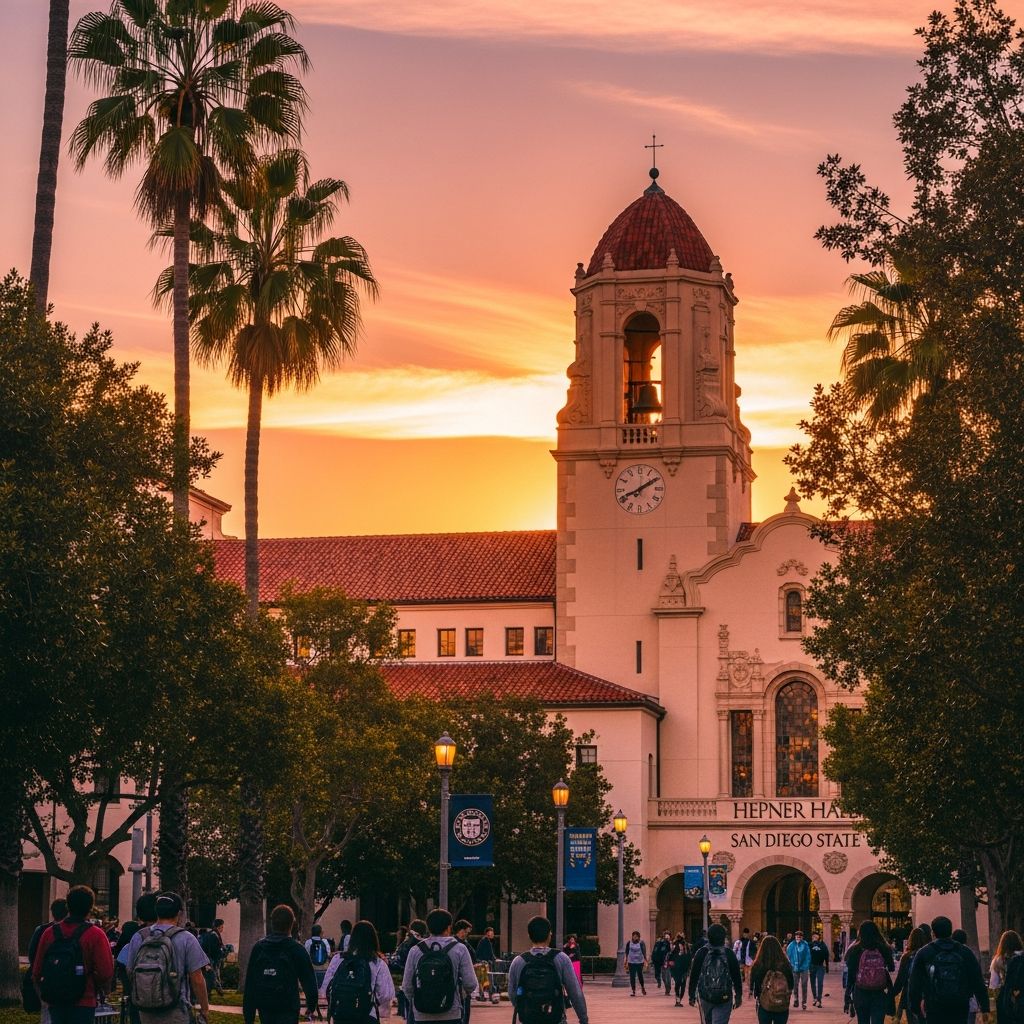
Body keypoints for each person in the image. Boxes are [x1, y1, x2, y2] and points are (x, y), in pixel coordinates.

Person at [121, 892, 209, 1024]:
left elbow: (130, 971)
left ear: (156, 911)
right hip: (176, 1010)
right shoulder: (186, 938)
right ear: (179, 913)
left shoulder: (139, 936)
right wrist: (204, 1009)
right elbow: (197, 979)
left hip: (145, 1012)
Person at [32, 886, 114, 1024]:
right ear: (90, 907)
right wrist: (100, 989)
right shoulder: (96, 934)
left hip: (55, 1001)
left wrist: (44, 998)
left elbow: (36, 972)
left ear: (68, 906)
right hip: (85, 1000)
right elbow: (106, 972)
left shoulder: (50, 933)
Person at [243, 904, 318, 1024]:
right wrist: (311, 1006)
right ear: (292, 924)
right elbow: (309, 982)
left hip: (265, 1006)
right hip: (288, 1007)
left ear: (272, 923)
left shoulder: (259, 948)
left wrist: (249, 1016)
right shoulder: (297, 949)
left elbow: (250, 985)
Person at [507, 915, 588, 1024]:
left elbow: (512, 994)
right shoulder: (561, 958)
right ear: (549, 934)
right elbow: (575, 992)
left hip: (529, 1019)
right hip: (556, 1019)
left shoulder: (518, 961)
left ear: (529, 935)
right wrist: (583, 1019)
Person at [401, 909, 477, 1024]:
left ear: (429, 928)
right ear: (448, 927)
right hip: (451, 1014)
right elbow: (470, 983)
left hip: (422, 1015)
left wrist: (419, 999)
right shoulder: (460, 949)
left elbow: (407, 986)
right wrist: (457, 994)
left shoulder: (416, 950)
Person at [908, 917, 988, 1024]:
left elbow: (914, 983)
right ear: (950, 931)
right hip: (960, 1005)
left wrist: (915, 1008)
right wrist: (984, 1006)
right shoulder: (965, 952)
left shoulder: (924, 953)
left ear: (933, 933)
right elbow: (977, 980)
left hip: (934, 1007)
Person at [321, 919, 395, 1023]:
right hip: (367, 1016)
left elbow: (326, 987)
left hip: (341, 1014)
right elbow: (386, 994)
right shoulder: (377, 963)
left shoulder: (338, 959)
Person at [688, 923, 743, 1024]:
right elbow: (736, 977)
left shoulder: (701, 952)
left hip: (705, 996)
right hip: (724, 997)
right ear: (724, 937)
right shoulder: (729, 953)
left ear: (708, 937)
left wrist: (691, 995)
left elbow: (694, 975)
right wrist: (738, 995)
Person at [845, 920, 895, 1024]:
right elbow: (891, 968)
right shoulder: (883, 948)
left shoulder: (856, 949)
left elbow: (850, 974)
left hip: (860, 991)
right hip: (879, 992)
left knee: (863, 1021)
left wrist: (847, 995)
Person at [751, 935, 795, 1024]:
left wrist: (756, 994)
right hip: (781, 1003)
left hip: (764, 1003)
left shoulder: (758, 964)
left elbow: (754, 983)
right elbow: (791, 983)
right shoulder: (785, 964)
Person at [893, 926, 928, 1024]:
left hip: (909, 995)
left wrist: (892, 993)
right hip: (925, 995)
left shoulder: (907, 957)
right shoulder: (928, 954)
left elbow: (901, 979)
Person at [393, 920, 425, 1021]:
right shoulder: (425, 944)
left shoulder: (407, 944)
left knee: (411, 1013)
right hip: (423, 983)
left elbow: (399, 961)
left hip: (410, 981)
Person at [200, 920, 226, 999]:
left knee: (213, 975)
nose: (223, 929)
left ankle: (217, 990)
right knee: (213, 976)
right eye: (222, 927)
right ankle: (216, 991)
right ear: (219, 927)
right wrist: (221, 953)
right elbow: (215, 949)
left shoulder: (210, 934)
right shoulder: (214, 936)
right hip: (212, 959)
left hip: (209, 958)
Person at [786, 930, 811, 1011]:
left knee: (804, 985)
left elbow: (808, 956)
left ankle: (804, 1002)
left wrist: (805, 966)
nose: (798, 937)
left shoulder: (805, 944)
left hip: (804, 968)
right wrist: (792, 966)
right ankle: (796, 999)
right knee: (795, 985)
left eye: (800, 936)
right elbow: (788, 957)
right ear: (795, 936)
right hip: (794, 968)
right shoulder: (791, 945)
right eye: (797, 936)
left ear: (802, 937)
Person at [474, 927, 498, 1004]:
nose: (492, 935)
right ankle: (490, 997)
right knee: (489, 980)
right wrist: (494, 959)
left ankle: (482, 995)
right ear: (488, 933)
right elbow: (490, 953)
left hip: (481, 962)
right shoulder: (486, 941)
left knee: (482, 980)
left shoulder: (483, 941)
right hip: (484, 963)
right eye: (491, 933)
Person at [306, 924, 332, 994]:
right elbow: (329, 954)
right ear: (321, 933)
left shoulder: (308, 942)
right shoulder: (325, 942)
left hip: (312, 970)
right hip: (324, 970)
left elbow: (307, 955)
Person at [668, 935, 692, 1007]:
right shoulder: (678, 946)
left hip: (679, 968)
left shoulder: (685, 947)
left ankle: (678, 1000)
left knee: (679, 984)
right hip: (680, 968)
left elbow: (670, 956)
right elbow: (689, 957)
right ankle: (678, 1000)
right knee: (681, 984)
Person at [808, 931, 830, 1008]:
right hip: (812, 966)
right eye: (813, 937)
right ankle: (814, 998)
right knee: (812, 983)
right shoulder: (809, 944)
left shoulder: (823, 945)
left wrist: (827, 966)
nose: (815, 938)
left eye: (816, 937)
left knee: (820, 983)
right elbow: (807, 954)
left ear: (819, 937)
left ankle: (819, 999)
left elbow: (826, 955)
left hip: (820, 966)